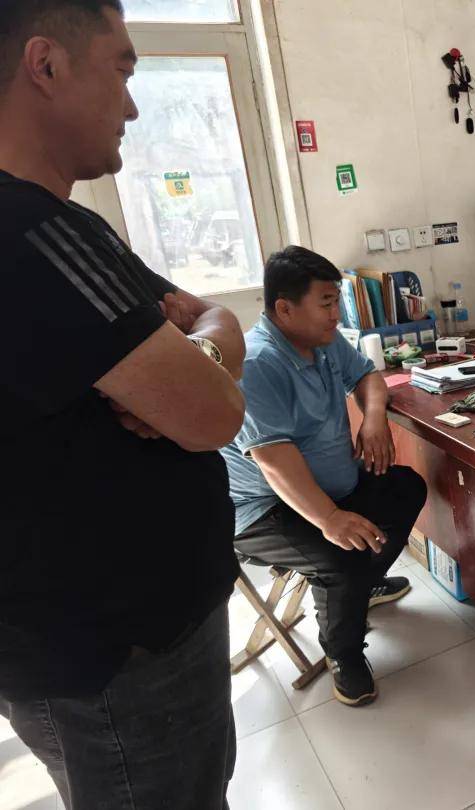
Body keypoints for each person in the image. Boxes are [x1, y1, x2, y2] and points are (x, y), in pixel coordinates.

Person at [0, 2, 248, 807]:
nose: (133, 107)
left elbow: (211, 318)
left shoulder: (69, 228)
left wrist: (204, 349)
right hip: (114, 657)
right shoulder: (26, 232)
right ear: (46, 65)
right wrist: (206, 366)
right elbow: (216, 414)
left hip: (107, 644)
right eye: (122, 68)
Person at [223, 246, 427, 707]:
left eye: (337, 301)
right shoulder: (258, 364)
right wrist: (330, 519)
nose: (336, 314)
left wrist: (373, 417)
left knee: (405, 488)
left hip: (331, 487)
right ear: (284, 309)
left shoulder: (323, 339)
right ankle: (344, 655)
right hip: (264, 508)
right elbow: (273, 460)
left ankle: (362, 589)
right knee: (340, 558)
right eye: (327, 303)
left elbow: (368, 377)